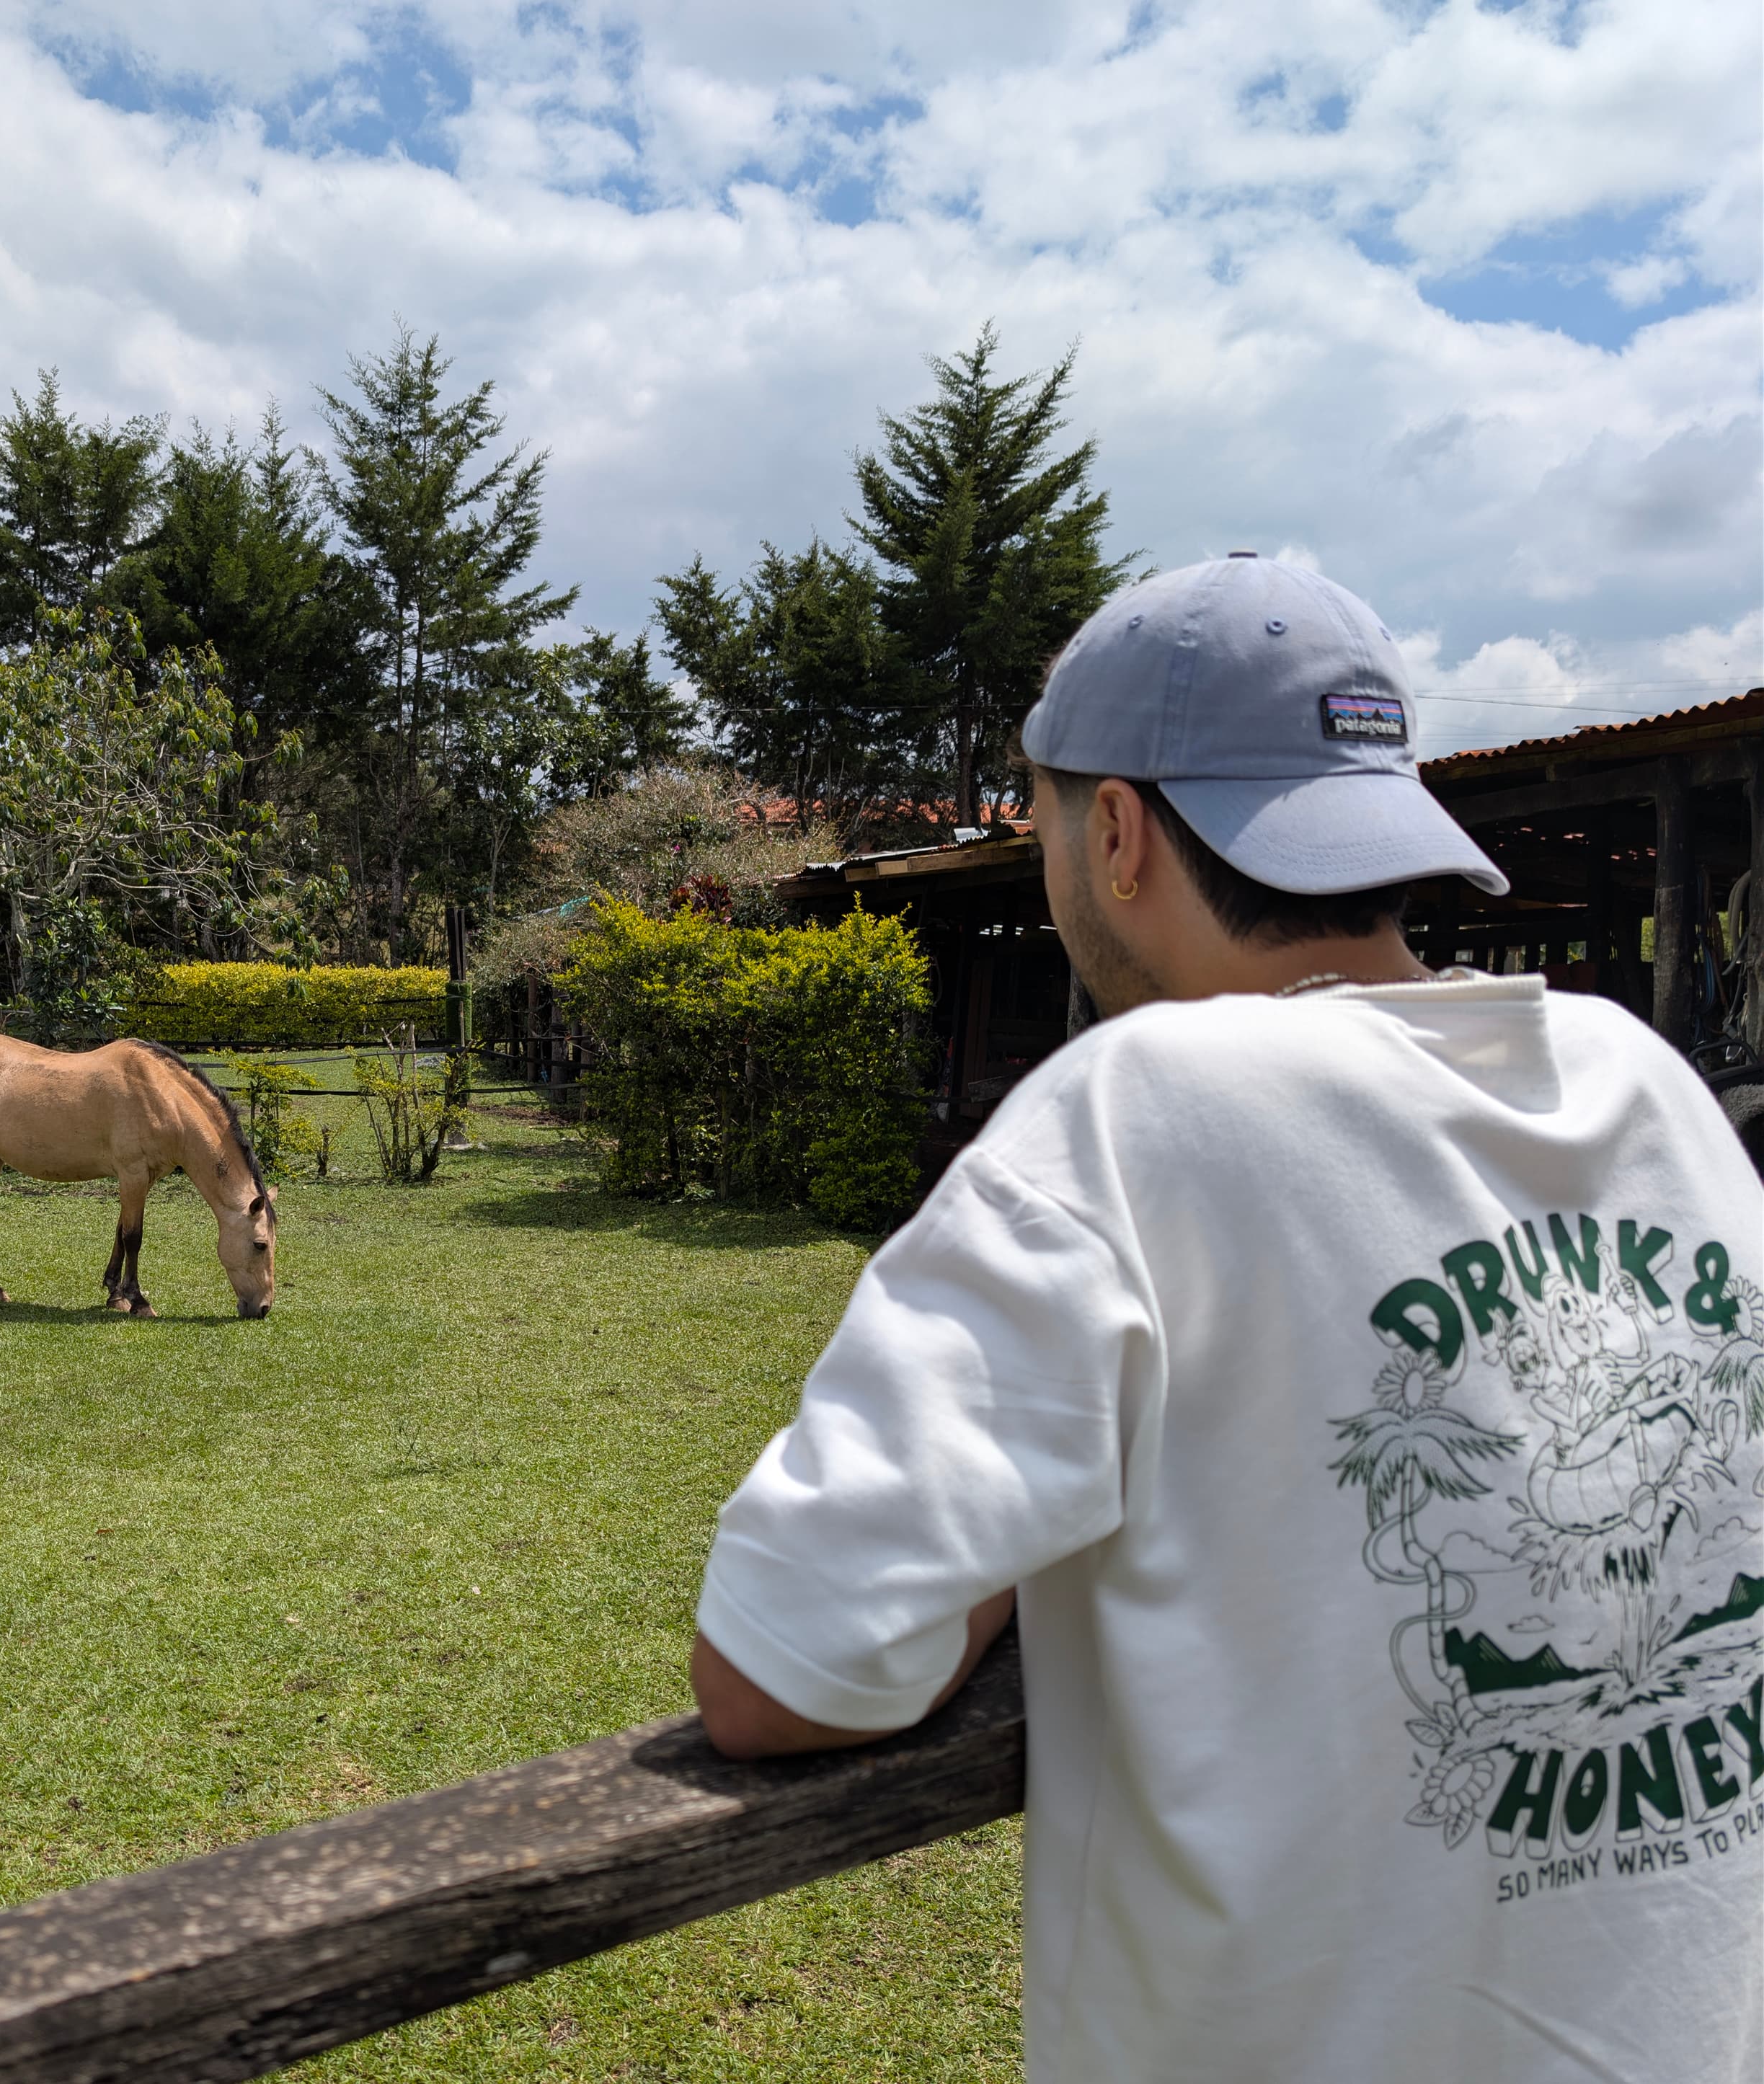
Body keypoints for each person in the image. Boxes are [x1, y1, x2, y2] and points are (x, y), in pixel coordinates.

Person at [690, 552, 1764, 2083]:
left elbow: (779, 1668)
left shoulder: (1136, 1116)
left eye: (1046, 816)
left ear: (1115, 832)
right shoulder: (1645, 1086)